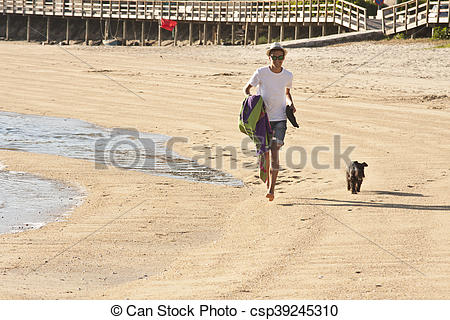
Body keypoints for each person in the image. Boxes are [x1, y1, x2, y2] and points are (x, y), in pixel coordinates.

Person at [243, 42, 295, 201]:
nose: (278, 60)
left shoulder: (288, 75)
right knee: (264, 155)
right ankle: (267, 182)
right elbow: (247, 89)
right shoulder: (261, 72)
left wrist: (290, 103)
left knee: (274, 155)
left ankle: (271, 189)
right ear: (269, 57)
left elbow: (287, 93)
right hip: (262, 120)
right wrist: (254, 105)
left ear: (284, 57)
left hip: (280, 120)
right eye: (274, 57)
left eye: (281, 57)